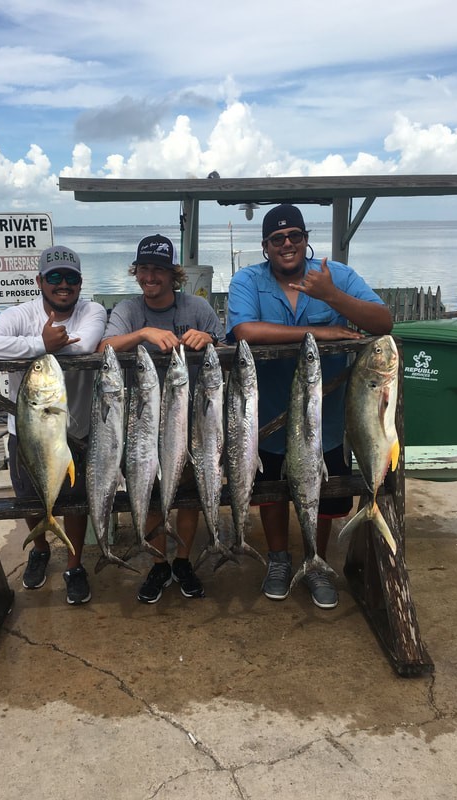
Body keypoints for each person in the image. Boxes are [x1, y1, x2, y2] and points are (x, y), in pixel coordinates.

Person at [226, 204, 393, 610]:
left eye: (295, 236)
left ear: (305, 238)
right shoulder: (247, 279)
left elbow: (382, 322)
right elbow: (245, 329)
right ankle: (280, 560)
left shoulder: (337, 275)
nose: (287, 244)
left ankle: (315, 563)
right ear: (265, 246)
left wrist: (332, 295)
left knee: (322, 490)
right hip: (265, 418)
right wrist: (318, 330)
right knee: (271, 494)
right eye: (277, 239)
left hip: (329, 418)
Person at [0, 245, 107, 605]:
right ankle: (40, 548)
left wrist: (36, 349)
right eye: (55, 277)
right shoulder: (19, 315)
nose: (64, 285)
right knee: (29, 499)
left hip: (76, 430)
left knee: (77, 501)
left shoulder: (92, 309)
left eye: (71, 277)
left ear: (80, 282)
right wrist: (37, 344)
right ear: (40, 281)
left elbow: (86, 345)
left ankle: (75, 564)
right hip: (25, 429)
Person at [98, 233, 226, 604]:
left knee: (185, 493)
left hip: (192, 421)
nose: (150, 277)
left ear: (174, 275)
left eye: (158, 270)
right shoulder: (128, 310)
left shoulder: (198, 309)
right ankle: (157, 561)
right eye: (144, 269)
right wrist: (142, 334)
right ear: (136, 272)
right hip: (141, 423)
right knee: (150, 492)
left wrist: (210, 340)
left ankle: (183, 560)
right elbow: (102, 347)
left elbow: (224, 342)